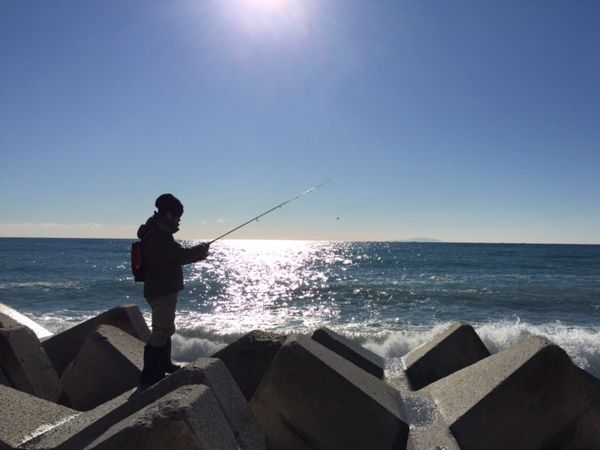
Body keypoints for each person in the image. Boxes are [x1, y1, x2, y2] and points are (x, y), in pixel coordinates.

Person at [136, 193, 210, 389]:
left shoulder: (154, 230)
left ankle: (164, 364)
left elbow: (173, 255)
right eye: (177, 216)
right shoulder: (159, 234)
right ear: (169, 214)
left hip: (158, 287)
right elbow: (178, 256)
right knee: (162, 330)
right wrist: (201, 250)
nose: (179, 221)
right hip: (162, 289)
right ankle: (149, 375)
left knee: (165, 328)